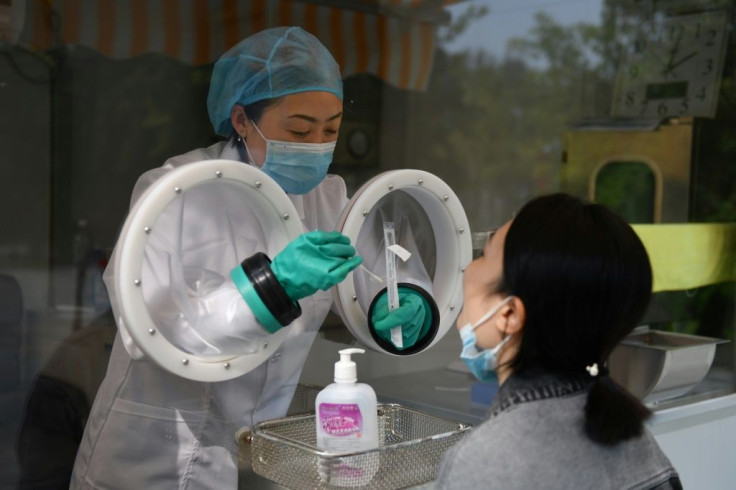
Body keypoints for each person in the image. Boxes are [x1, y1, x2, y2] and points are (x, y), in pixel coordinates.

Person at [70, 26, 429, 489]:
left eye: (332, 129)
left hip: (258, 455)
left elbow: (383, 277)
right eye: (299, 129)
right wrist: (270, 287)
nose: (317, 144)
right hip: (153, 457)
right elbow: (149, 327)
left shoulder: (331, 198)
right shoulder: (174, 189)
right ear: (241, 120)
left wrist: (397, 302)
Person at [435, 193, 681, 489]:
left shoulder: (481, 464)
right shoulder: (638, 441)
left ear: (510, 313)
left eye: (485, 254)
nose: (468, 268)